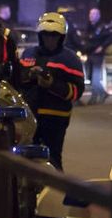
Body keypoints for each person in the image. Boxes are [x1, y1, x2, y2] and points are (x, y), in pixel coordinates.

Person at [19, 12, 85, 171]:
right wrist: (29, 75)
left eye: (54, 35)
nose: (50, 39)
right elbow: (18, 81)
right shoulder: (28, 54)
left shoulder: (70, 59)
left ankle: (57, 194)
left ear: (61, 37)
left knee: (53, 160)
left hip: (55, 119)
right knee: (26, 161)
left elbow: (76, 92)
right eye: (46, 35)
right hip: (30, 116)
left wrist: (52, 85)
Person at [79, 7, 112, 105]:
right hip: (89, 53)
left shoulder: (102, 27)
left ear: (98, 16)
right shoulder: (89, 26)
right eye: (90, 14)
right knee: (91, 77)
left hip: (97, 55)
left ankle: (94, 97)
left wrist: (102, 46)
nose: (91, 16)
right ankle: (102, 94)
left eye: (94, 14)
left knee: (95, 77)